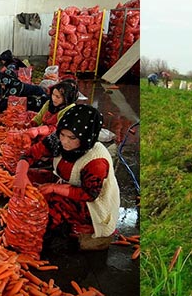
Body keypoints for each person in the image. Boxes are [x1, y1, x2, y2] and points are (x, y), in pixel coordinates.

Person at [11, 105, 120, 244]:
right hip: (66, 183)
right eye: (62, 134)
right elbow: (29, 155)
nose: (64, 141)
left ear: (86, 137)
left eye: (72, 138)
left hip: (93, 205)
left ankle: (75, 228)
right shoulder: (57, 139)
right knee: (30, 176)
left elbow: (89, 194)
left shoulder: (96, 161)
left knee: (50, 201)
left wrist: (53, 188)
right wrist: (20, 175)